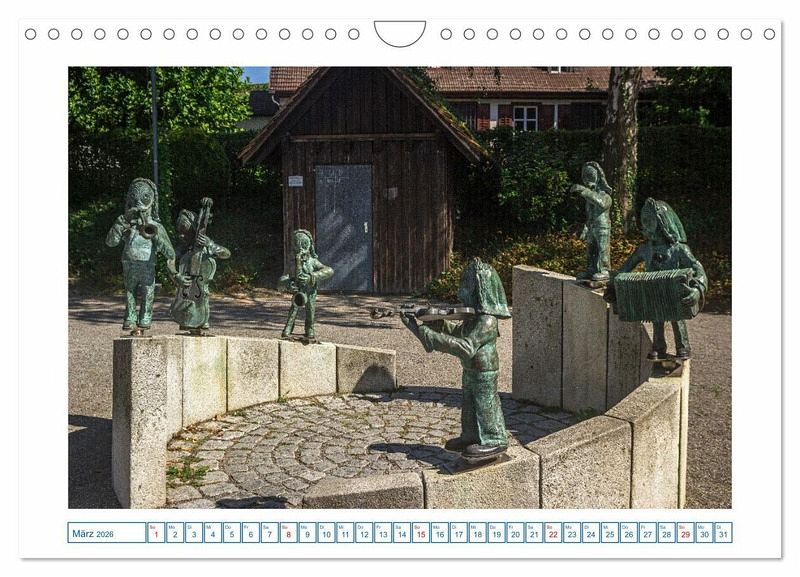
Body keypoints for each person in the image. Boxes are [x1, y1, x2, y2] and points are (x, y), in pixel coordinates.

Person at [400, 258, 510, 461]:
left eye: (467, 287)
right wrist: (436, 325)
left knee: (485, 404)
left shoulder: (487, 320)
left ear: (480, 291)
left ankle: (495, 439)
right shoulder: (474, 317)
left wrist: (427, 334)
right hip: (471, 368)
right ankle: (471, 436)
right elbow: (458, 333)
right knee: (469, 404)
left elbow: (466, 347)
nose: (461, 293)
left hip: (484, 370)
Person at [610, 198, 707, 359]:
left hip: (674, 293)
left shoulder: (679, 249)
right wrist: (613, 284)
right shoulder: (644, 250)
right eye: (643, 219)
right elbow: (624, 270)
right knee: (656, 315)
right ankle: (658, 346)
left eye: (649, 219)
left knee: (677, 317)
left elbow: (699, 269)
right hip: (654, 293)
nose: (645, 223)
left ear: (661, 222)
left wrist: (698, 289)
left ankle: (682, 346)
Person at [105, 178, 183, 331]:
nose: (139, 203)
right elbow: (111, 242)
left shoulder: (156, 226)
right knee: (129, 291)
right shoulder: (125, 222)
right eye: (135, 198)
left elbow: (169, 252)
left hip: (147, 263)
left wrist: (156, 235)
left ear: (152, 202)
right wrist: (122, 222)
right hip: (129, 262)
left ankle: (145, 317)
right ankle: (130, 318)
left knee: (148, 291)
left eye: (144, 198)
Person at [170, 203, 231, 331]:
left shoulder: (205, 247)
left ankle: (202, 319)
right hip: (185, 293)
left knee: (203, 297)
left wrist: (211, 244)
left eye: (186, 233)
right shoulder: (182, 249)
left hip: (200, 294)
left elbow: (226, 253)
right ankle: (186, 317)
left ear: (194, 231)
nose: (181, 236)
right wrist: (176, 276)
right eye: (179, 233)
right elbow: (170, 261)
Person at [278, 230, 334, 341]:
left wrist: (313, 276)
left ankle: (309, 329)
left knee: (310, 309)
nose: (300, 249)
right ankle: (288, 328)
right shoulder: (292, 263)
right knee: (293, 309)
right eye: (297, 245)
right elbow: (283, 278)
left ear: (309, 245)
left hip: (310, 291)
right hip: (298, 291)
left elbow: (329, 270)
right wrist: (288, 283)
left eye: (303, 245)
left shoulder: (313, 261)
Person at [572, 161, 613, 282]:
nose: (586, 179)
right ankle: (591, 269)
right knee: (591, 250)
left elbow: (601, 203)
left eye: (589, 175)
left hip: (602, 227)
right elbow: (589, 214)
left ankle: (605, 270)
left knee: (602, 249)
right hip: (592, 227)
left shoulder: (605, 195)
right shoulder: (589, 198)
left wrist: (584, 191)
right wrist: (585, 227)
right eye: (584, 176)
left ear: (598, 177)